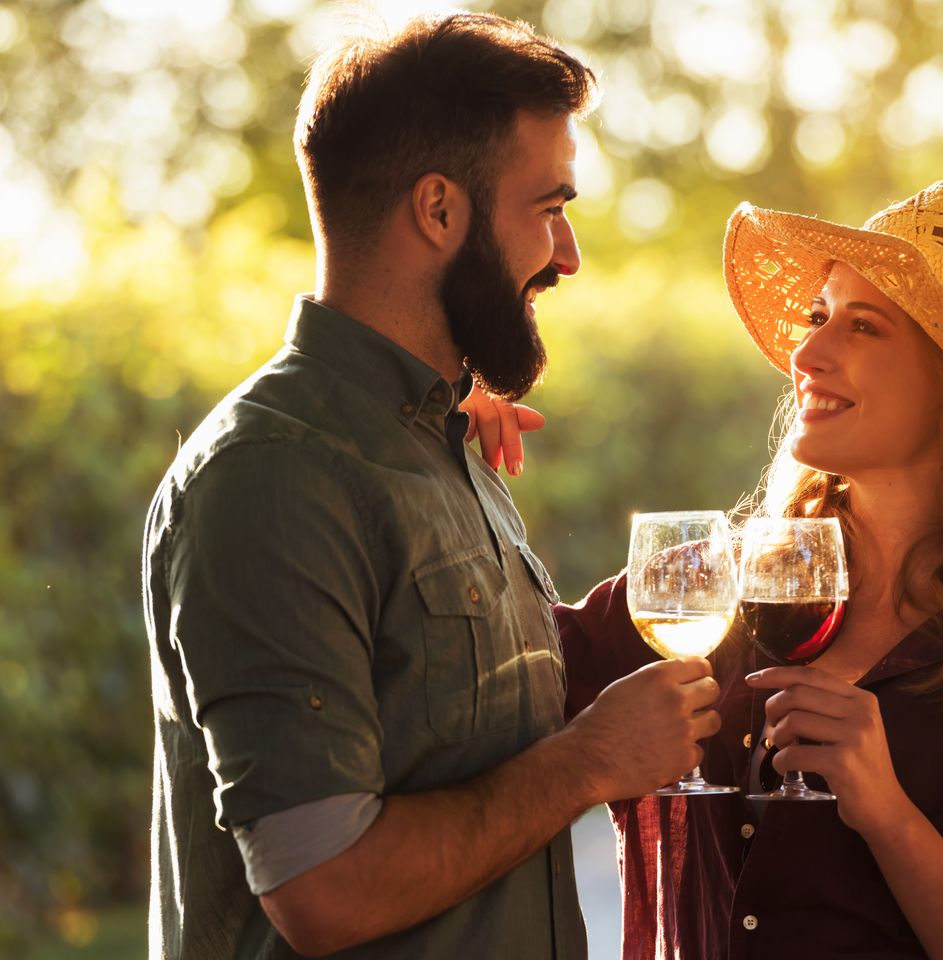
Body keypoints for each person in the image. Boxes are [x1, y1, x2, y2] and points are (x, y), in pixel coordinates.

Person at [141, 13, 721, 960]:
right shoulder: (273, 476)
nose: (568, 256)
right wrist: (591, 761)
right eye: (548, 208)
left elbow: (468, 730)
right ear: (440, 210)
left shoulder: (447, 446)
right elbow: (323, 890)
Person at [551, 182, 943, 958]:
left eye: (863, 326)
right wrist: (448, 439)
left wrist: (888, 815)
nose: (806, 354)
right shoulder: (706, 594)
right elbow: (498, 680)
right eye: (818, 316)